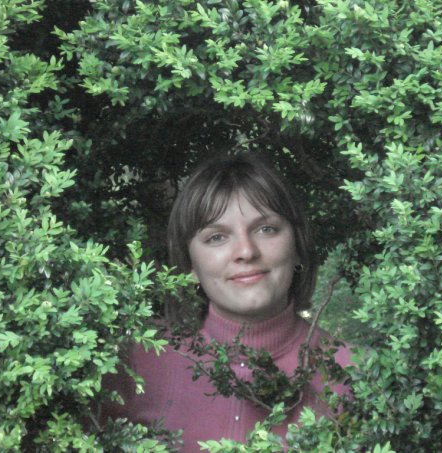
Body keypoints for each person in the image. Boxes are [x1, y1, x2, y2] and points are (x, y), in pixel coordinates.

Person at [102, 153, 350, 451]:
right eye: (217, 237)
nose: (246, 251)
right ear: (190, 265)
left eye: (266, 229)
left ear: (297, 245)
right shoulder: (134, 364)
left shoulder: (353, 375)